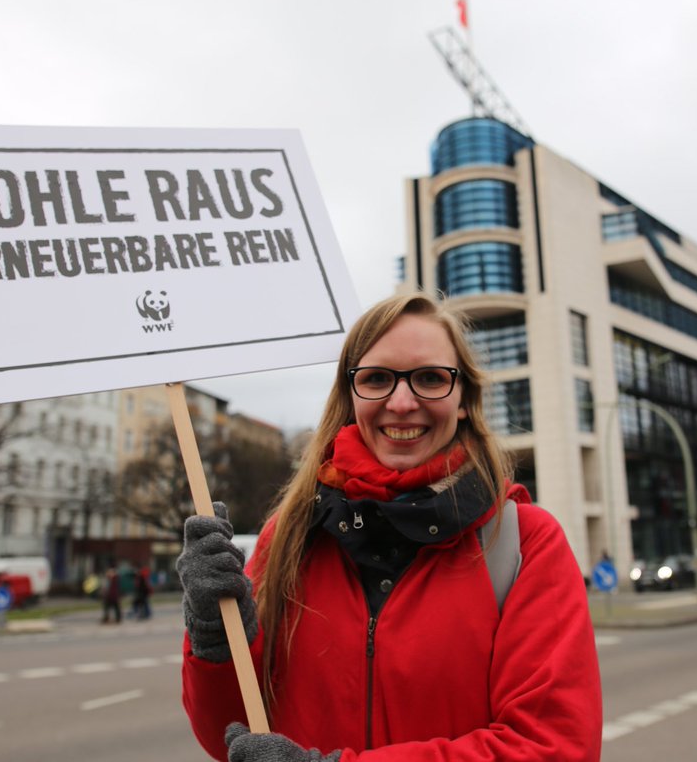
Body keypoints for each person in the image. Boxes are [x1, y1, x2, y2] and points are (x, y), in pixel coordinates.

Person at [177, 293, 602, 762]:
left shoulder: (524, 543)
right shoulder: (289, 535)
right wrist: (214, 639)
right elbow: (232, 736)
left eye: (430, 379)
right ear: (350, 395)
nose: (402, 403)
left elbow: (553, 747)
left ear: (464, 400)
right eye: (377, 379)